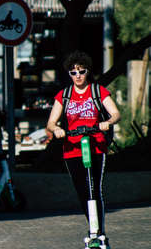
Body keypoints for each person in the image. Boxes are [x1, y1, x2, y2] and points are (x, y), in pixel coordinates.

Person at [46, 51, 120, 239]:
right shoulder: (64, 95)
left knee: (94, 190)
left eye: (81, 71)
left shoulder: (98, 91)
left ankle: (99, 231)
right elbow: (51, 122)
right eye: (73, 72)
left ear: (88, 71)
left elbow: (116, 113)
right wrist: (56, 129)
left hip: (95, 145)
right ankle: (92, 227)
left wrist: (108, 122)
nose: (77, 76)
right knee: (81, 191)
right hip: (72, 149)